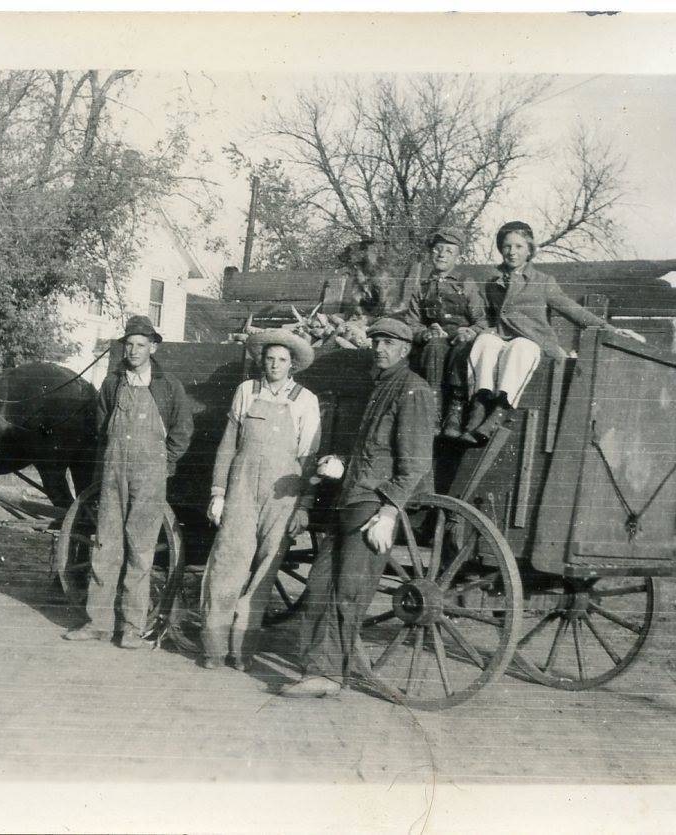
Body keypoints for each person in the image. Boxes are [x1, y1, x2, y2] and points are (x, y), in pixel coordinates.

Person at [279, 316, 435, 699]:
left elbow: (415, 462)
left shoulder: (412, 389)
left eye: (389, 343)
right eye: (376, 341)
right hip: (350, 498)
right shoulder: (379, 387)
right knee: (320, 583)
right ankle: (316, 668)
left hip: (373, 506)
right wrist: (341, 465)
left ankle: (329, 675)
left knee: (348, 590)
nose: (380, 349)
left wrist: (389, 512)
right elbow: (373, 453)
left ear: (405, 350)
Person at [64, 315, 193, 648]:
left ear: (153, 347)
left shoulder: (168, 386)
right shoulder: (112, 383)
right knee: (105, 546)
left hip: (150, 476)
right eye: (129, 345)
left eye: (141, 345)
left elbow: (182, 431)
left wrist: (164, 464)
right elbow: (102, 426)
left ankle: (132, 628)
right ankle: (98, 623)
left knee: (141, 550)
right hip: (113, 474)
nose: (134, 351)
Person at [201, 330, 321, 672]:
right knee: (227, 564)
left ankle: (242, 652)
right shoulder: (246, 391)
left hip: (283, 494)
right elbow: (228, 445)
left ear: (292, 364)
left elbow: (309, 458)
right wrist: (218, 493)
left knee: (264, 575)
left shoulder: (305, 400)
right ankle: (213, 649)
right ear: (262, 361)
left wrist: (304, 506)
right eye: (270, 359)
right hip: (241, 490)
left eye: (282, 360)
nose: (275, 365)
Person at [463, 220, 644, 445]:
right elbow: (482, 314)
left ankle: (499, 412)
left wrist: (611, 330)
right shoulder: (492, 281)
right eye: (507, 246)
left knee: (520, 347)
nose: (512, 252)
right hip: (500, 338)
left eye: (519, 246)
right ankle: (478, 407)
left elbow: (573, 310)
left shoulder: (542, 282)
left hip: (531, 341)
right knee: (485, 341)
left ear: (529, 250)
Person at [402, 227, 488, 437]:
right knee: (434, 347)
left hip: (461, 339)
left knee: (463, 349)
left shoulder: (465, 284)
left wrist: (470, 332)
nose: (441, 255)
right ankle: (434, 411)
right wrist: (425, 332)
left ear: (458, 257)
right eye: (437, 249)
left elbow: (482, 321)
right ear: (430, 253)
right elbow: (411, 323)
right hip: (435, 341)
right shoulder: (422, 288)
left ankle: (454, 413)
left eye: (449, 251)